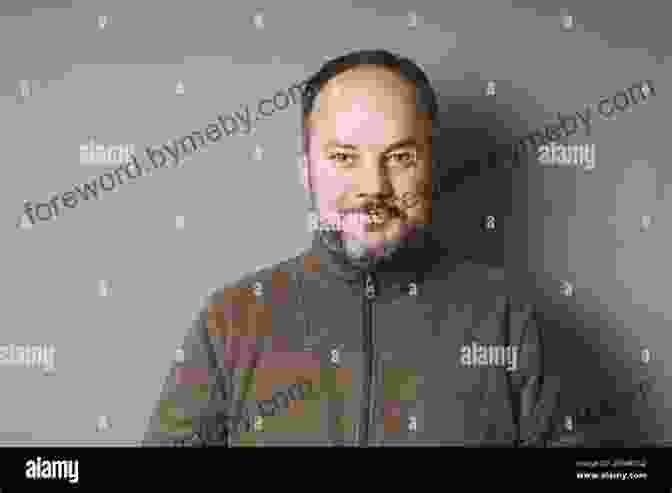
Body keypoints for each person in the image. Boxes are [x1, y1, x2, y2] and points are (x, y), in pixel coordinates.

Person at [142, 49, 558, 447]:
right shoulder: (229, 320)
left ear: (430, 165)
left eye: (400, 157)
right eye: (344, 157)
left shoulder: (507, 317)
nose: (373, 187)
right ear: (307, 172)